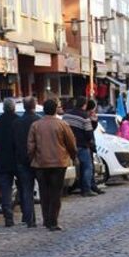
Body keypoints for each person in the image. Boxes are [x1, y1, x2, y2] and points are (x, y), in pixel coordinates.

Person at [28, 99, 77, 231]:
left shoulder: (36, 125)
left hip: (40, 163)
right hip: (59, 163)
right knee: (56, 193)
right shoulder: (62, 125)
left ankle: (46, 219)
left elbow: (31, 145)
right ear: (55, 109)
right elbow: (71, 143)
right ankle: (53, 221)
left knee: (44, 193)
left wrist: (31, 158)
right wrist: (73, 156)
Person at [0, 98, 19, 227]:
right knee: (24, 186)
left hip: (2, 161)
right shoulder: (18, 121)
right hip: (17, 160)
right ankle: (28, 217)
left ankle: (8, 218)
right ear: (14, 108)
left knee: (5, 190)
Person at [13, 97, 41, 227]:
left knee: (27, 190)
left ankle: (30, 220)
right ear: (34, 105)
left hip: (22, 160)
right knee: (43, 189)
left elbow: (13, 143)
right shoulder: (38, 121)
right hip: (38, 159)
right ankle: (48, 217)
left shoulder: (17, 123)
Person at [63, 97, 95, 197]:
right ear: (84, 105)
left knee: (73, 167)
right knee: (87, 167)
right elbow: (89, 133)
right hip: (82, 145)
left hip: (68, 145)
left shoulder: (66, 115)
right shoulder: (84, 116)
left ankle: (68, 188)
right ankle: (86, 189)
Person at [85, 100, 106, 194]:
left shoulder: (87, 117)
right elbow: (89, 131)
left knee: (90, 167)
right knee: (88, 167)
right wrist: (94, 121)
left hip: (89, 144)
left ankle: (92, 186)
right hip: (87, 144)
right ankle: (89, 187)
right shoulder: (85, 117)